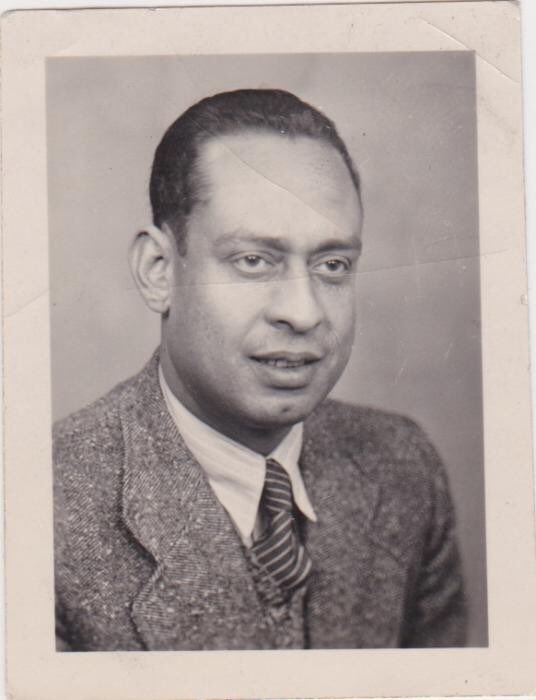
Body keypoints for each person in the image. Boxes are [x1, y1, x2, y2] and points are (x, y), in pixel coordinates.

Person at [53, 88, 466, 651]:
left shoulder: (404, 468)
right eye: (253, 261)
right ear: (158, 271)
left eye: (332, 264)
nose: (303, 312)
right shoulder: (41, 510)